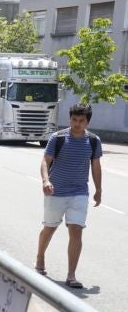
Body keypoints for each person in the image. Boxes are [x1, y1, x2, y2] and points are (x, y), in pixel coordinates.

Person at [35, 103, 102, 289]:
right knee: (50, 227)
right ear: (69, 119)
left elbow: (96, 166)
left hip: (79, 192)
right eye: (74, 120)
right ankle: (40, 258)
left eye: (81, 121)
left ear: (88, 121)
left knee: (76, 230)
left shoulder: (94, 141)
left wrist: (99, 190)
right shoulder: (58, 138)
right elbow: (45, 161)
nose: (77, 124)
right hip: (55, 191)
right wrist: (45, 181)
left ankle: (71, 275)